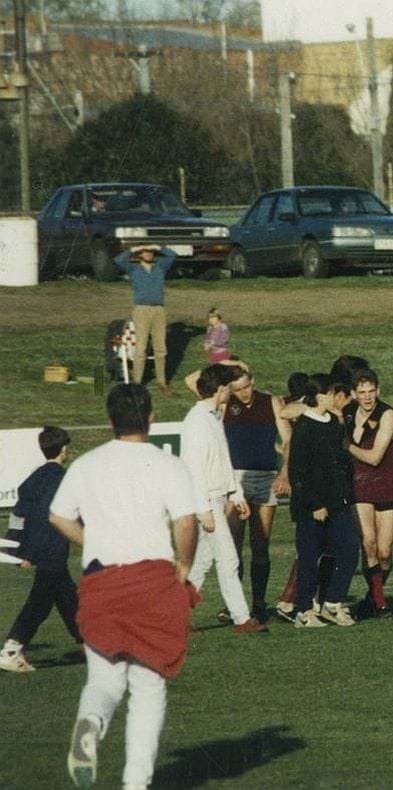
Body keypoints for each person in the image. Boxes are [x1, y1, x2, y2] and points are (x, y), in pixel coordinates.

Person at [49, 384, 200, 789]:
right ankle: (136, 784)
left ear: (111, 419)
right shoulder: (168, 464)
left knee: (103, 681)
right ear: (150, 418)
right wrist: (184, 563)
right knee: (148, 689)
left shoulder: (87, 464)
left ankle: (91, 724)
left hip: (101, 583)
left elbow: (59, 517)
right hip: (152, 581)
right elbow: (186, 522)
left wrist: (93, 539)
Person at [180, 365, 267, 634]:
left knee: (203, 562)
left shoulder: (213, 416)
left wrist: (235, 493)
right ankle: (242, 618)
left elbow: (222, 461)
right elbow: (192, 468)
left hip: (216, 498)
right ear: (219, 389)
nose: (231, 391)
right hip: (207, 501)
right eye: (228, 387)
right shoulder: (197, 420)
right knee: (229, 560)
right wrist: (203, 508)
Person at [0, 427, 81, 673]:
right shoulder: (64, 479)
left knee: (67, 596)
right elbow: (69, 514)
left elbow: (18, 516)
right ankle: (11, 649)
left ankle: (92, 642)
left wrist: (17, 551)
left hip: (39, 547)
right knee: (41, 600)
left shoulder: (32, 479)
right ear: (65, 450)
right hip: (53, 546)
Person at [287, 373, 361, 627]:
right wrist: (315, 504)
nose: (335, 397)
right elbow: (300, 472)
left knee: (350, 547)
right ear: (319, 396)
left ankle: (332, 603)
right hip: (312, 507)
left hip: (337, 501)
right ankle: (304, 610)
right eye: (331, 393)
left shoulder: (332, 423)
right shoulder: (304, 427)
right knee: (309, 557)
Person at [222, 365, 292, 624]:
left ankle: (259, 602)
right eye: (237, 388)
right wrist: (228, 366)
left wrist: (284, 472)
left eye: (246, 386)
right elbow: (193, 381)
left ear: (253, 379)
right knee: (233, 547)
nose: (243, 393)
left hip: (265, 478)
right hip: (236, 480)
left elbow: (287, 440)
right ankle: (236, 606)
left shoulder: (271, 402)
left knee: (260, 544)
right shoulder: (225, 403)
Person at [345, 368, 393, 619]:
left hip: (385, 484)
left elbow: (376, 457)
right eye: (362, 392)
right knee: (368, 544)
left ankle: (372, 596)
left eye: (371, 391)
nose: (367, 397)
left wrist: (346, 446)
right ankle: (380, 603)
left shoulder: (388, 414)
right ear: (353, 394)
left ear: (378, 390)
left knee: (385, 552)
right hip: (358, 486)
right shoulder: (346, 413)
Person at [114, 244, 176, 392]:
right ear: (140, 254)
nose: (148, 254)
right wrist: (134, 249)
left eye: (151, 252)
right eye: (145, 252)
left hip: (158, 309)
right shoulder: (134, 269)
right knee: (141, 348)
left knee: (160, 348)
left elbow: (172, 255)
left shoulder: (160, 267)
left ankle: (162, 382)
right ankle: (137, 382)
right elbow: (118, 260)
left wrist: (158, 247)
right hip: (141, 310)